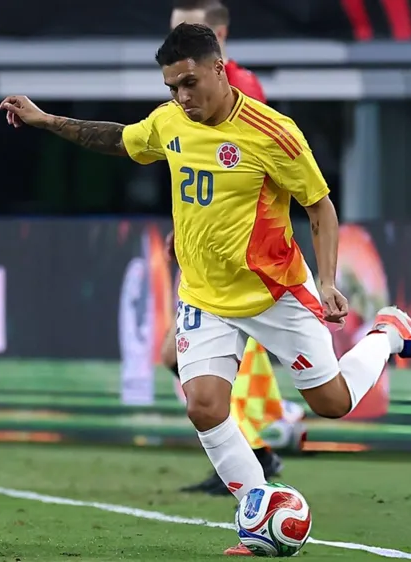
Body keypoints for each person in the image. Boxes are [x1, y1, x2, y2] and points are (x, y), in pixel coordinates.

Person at [0, 23, 411, 558]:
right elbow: (119, 139)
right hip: (204, 297)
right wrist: (46, 118)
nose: (181, 97)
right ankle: (257, 509)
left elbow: (320, 207)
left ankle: (390, 333)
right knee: (205, 407)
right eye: (172, 87)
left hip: (275, 291)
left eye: (189, 83)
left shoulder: (273, 132)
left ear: (219, 67)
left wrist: (327, 280)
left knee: (331, 404)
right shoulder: (170, 122)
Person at [162, 0, 287, 499]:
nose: (179, 44)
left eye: (189, 32)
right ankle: (254, 445)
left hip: (239, 257)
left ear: (219, 36)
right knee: (176, 356)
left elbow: (257, 168)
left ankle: (257, 446)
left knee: (189, 354)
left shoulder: (241, 89)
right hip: (203, 250)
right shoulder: (183, 96)